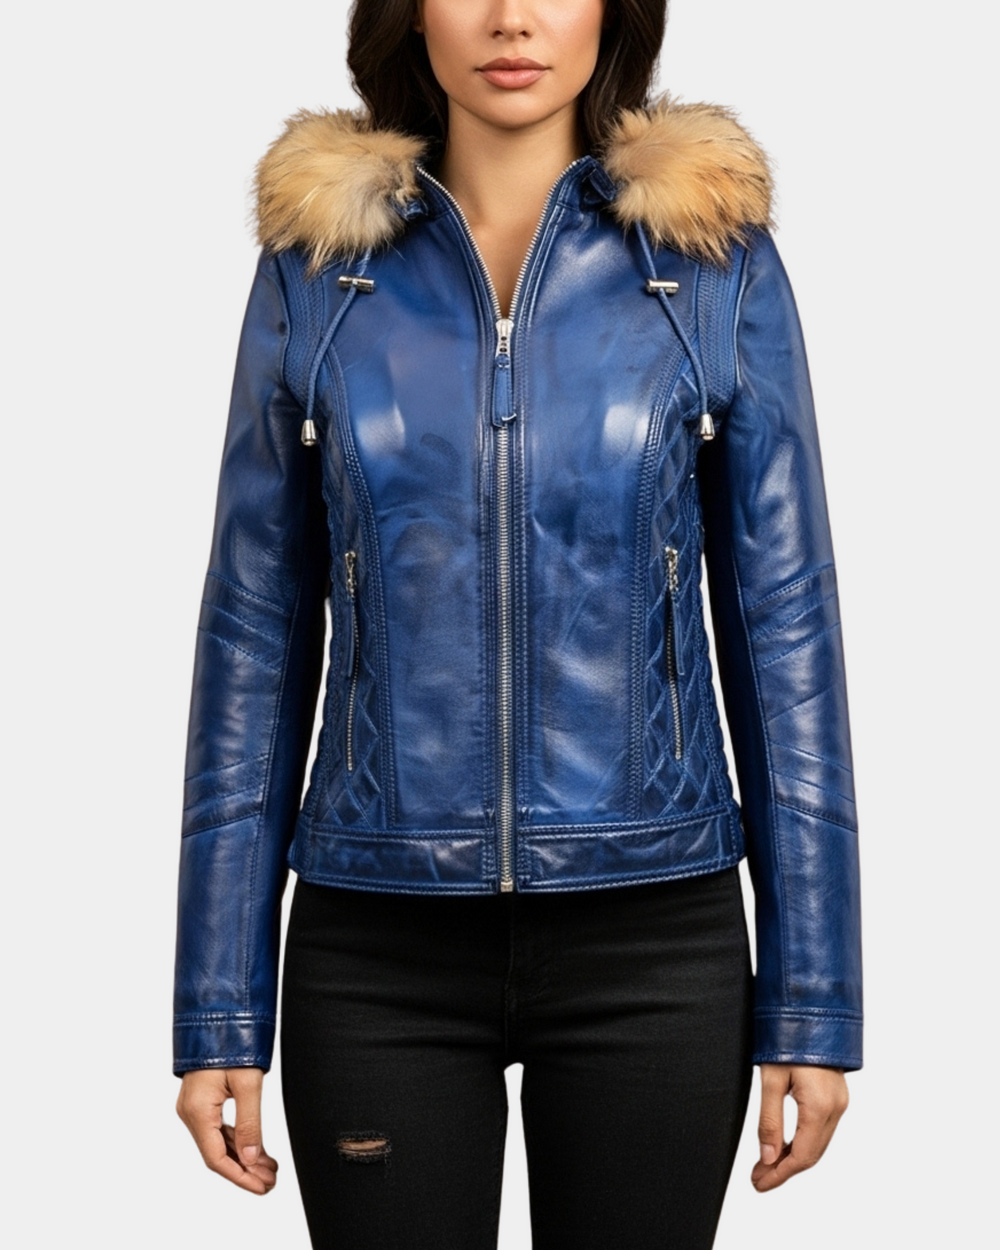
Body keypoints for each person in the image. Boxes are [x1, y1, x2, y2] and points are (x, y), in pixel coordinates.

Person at [173, 1, 863, 1246]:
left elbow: (784, 630)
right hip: (375, 939)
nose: (510, 18)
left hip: (655, 936)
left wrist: (813, 1000)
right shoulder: (320, 270)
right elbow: (253, 634)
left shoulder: (708, 262)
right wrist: (217, 1002)